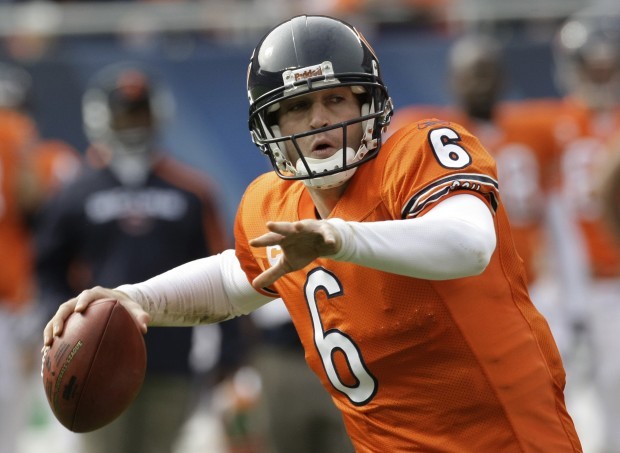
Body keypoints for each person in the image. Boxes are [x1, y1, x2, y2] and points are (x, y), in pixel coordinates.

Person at [43, 16, 583, 451]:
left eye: (336, 100)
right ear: (271, 127)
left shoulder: (416, 150)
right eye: (297, 107)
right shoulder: (271, 202)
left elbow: (467, 244)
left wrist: (339, 238)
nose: (319, 119)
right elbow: (236, 275)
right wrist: (133, 299)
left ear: (367, 104)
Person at [35, 62, 232, 453]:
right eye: (124, 115)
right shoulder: (77, 191)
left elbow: (222, 269)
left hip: (173, 356)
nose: (132, 123)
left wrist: (229, 354)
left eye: (139, 113)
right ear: (103, 118)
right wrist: (64, 327)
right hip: (94, 360)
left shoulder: (192, 191)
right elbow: (47, 267)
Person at [0, 61, 80, 453]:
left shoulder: (49, 157)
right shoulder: (36, 151)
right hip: (20, 299)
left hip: (42, 297)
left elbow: (36, 203)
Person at [551, 10, 620, 451]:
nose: (600, 76)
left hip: (615, 283)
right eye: (593, 67)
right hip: (562, 282)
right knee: (558, 389)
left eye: (608, 67)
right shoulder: (548, 123)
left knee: (615, 388)